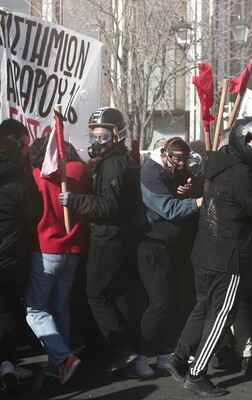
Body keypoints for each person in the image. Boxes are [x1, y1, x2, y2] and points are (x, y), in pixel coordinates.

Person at [165, 117, 252, 397]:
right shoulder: (240, 173)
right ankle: (197, 373)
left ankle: (178, 358)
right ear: (242, 141)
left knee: (203, 308)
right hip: (226, 256)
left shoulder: (217, 159)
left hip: (204, 250)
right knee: (221, 316)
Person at [59, 107, 140, 373]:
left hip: (109, 236)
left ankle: (123, 349)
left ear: (117, 137)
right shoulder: (113, 161)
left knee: (96, 295)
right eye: (93, 136)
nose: (96, 142)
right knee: (118, 294)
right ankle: (124, 347)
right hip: (116, 234)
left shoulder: (115, 163)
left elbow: (108, 206)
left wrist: (75, 200)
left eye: (103, 136)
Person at [133, 137, 202, 377]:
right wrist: (197, 202)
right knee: (159, 301)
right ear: (164, 154)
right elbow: (168, 208)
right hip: (153, 245)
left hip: (176, 246)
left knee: (177, 300)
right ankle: (141, 355)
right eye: (177, 159)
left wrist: (190, 193)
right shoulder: (150, 174)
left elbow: (178, 200)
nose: (182, 164)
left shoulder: (173, 171)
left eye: (185, 159)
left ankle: (165, 352)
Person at [25, 137, 90, 384]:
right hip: (73, 249)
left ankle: (63, 358)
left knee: (35, 309)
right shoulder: (80, 169)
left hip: (45, 250)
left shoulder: (36, 174)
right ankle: (59, 363)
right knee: (60, 307)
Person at [0, 134, 41, 393]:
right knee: (7, 310)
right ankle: (7, 364)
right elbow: (34, 213)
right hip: (12, 255)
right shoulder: (19, 178)